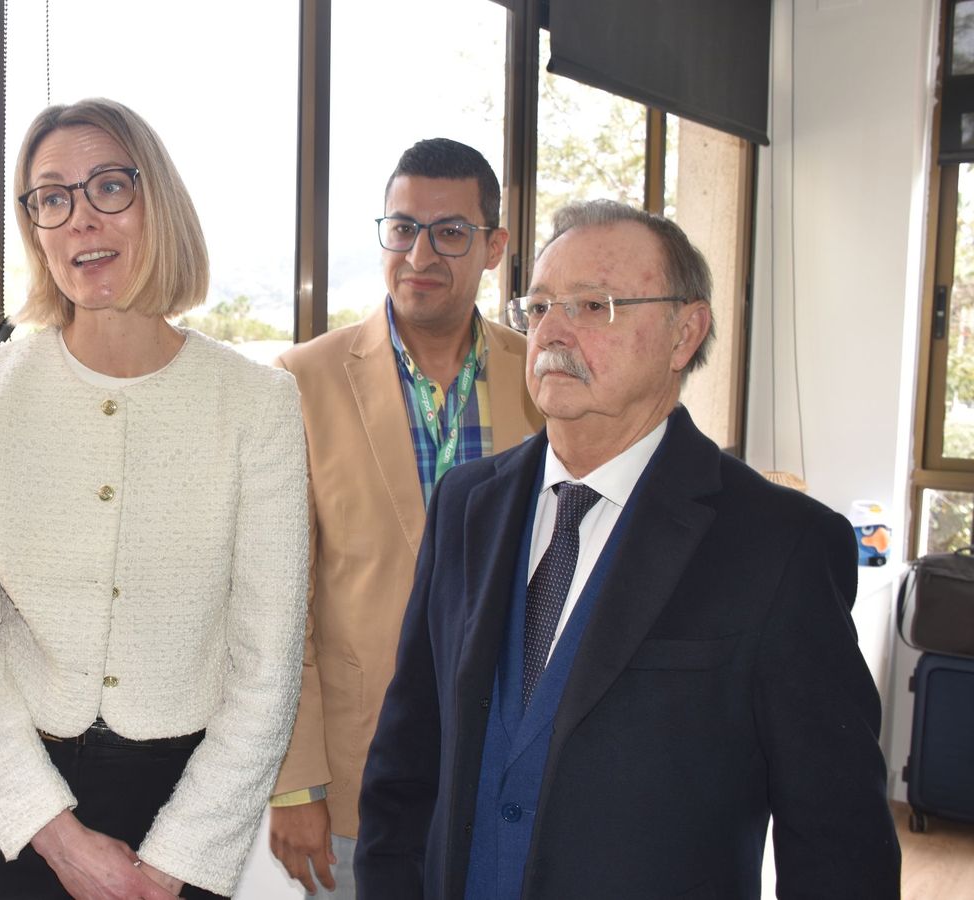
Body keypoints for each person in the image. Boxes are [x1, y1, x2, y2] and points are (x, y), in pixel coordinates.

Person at [356, 199, 900, 898]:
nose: (552, 330)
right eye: (542, 304)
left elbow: (836, 841)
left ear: (684, 333)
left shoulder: (779, 544)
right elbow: (407, 763)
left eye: (593, 306)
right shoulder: (468, 505)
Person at [0, 97, 308, 900]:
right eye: (51, 197)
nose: (79, 220)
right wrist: (58, 839)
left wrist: (172, 863)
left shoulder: (258, 402)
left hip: (186, 808)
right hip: (9, 804)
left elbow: (266, 664)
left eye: (109, 187)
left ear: (157, 201)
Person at [268, 138, 542, 897]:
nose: (421, 254)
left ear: (494, 246)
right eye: (402, 228)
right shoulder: (301, 381)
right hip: (365, 772)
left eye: (451, 232)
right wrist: (296, 783)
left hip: (510, 766)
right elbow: (278, 600)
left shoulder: (542, 378)